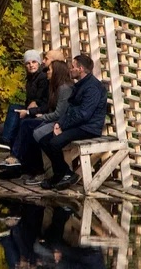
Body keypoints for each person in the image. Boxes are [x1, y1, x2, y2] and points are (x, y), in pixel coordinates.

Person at [37, 54, 107, 190]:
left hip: (88, 128)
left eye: (73, 66)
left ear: (80, 69)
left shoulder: (92, 88)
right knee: (44, 140)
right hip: (78, 125)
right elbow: (70, 108)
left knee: (54, 143)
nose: (70, 69)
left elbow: (84, 115)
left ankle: (60, 175)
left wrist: (63, 126)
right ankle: (66, 173)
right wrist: (59, 124)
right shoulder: (81, 85)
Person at [0, 60, 73, 178]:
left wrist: (41, 115)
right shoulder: (53, 87)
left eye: (49, 70)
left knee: (27, 125)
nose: (47, 72)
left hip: (59, 123)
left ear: (57, 72)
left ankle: (16, 159)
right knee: (21, 123)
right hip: (50, 118)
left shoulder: (64, 89)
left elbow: (58, 114)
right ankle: (17, 165)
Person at [0, 49, 49, 151]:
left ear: (39, 63)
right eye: (28, 63)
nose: (31, 65)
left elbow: (42, 99)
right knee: (13, 110)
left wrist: (32, 107)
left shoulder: (42, 77)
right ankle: (7, 145)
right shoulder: (30, 79)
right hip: (31, 109)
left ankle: (8, 144)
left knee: (17, 119)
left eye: (34, 62)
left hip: (40, 111)